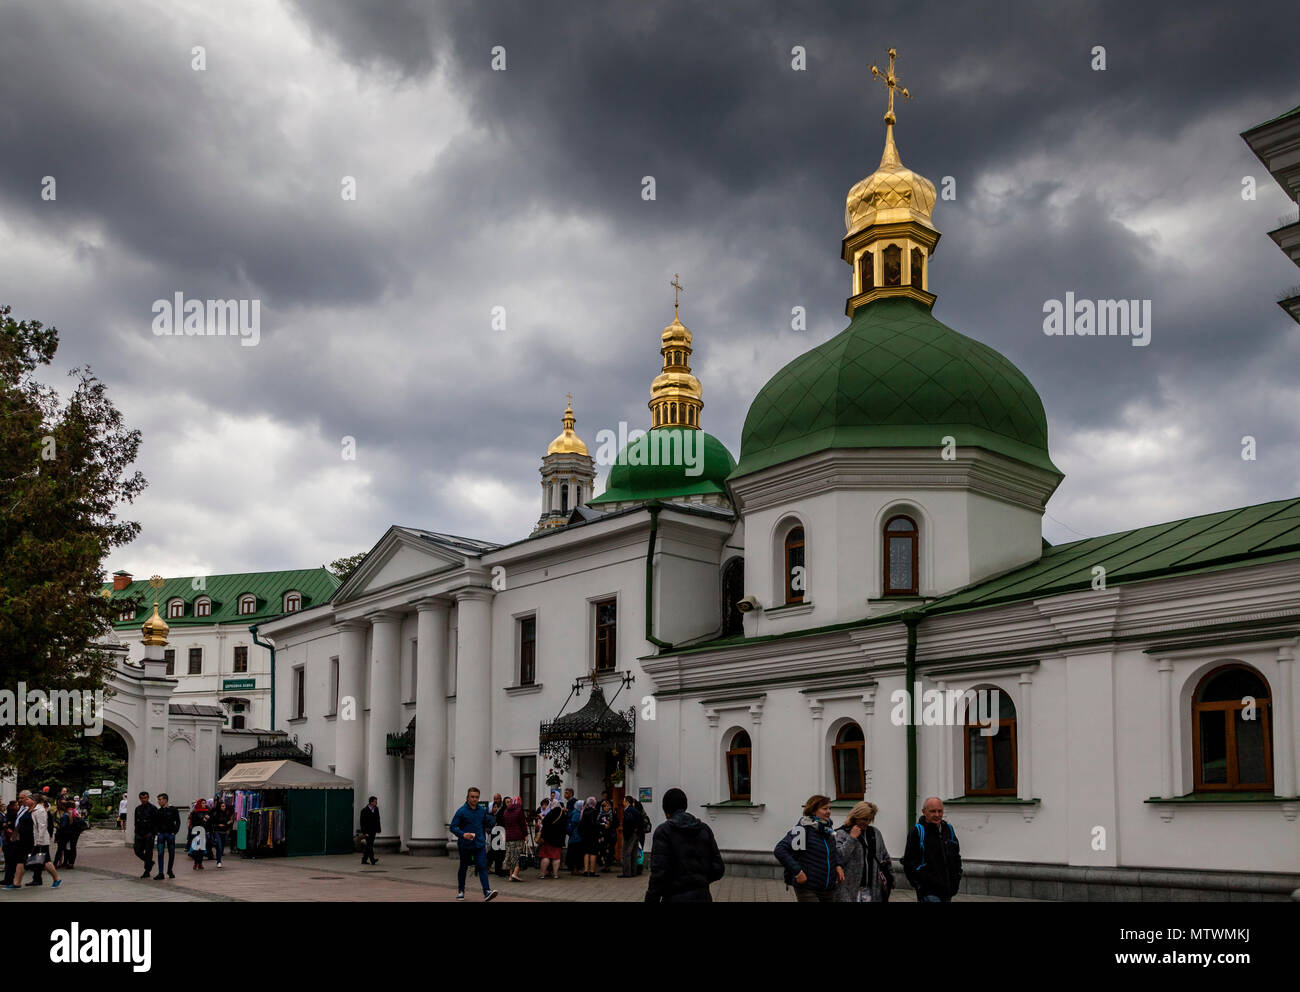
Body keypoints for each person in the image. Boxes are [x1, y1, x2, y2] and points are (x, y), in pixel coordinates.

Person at [645, 787, 725, 902]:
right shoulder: (704, 829)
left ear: (666, 810)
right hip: (702, 897)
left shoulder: (664, 832)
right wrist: (700, 881)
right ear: (685, 806)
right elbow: (718, 868)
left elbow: (658, 874)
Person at [774, 794, 844, 903]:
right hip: (807, 887)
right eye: (824, 808)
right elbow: (780, 850)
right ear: (813, 811)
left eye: (830, 808)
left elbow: (833, 850)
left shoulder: (827, 829)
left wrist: (838, 865)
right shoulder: (803, 829)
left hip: (828, 887)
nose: (829, 811)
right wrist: (798, 872)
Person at [902, 797, 962, 902]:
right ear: (924, 812)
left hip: (948, 890)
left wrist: (957, 876)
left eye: (940, 811)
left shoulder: (948, 829)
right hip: (929, 892)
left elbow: (956, 856)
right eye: (933, 811)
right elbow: (909, 862)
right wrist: (921, 884)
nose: (937, 815)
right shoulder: (917, 832)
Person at [834, 801, 894, 903]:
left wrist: (891, 878)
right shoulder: (841, 833)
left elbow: (884, 856)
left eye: (870, 819)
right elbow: (839, 858)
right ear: (855, 816)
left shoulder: (875, 833)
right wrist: (852, 838)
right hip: (848, 889)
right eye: (864, 819)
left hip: (872, 889)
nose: (867, 822)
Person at [449, 787, 498, 901]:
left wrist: (493, 821)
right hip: (465, 845)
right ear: (467, 797)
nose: (474, 799)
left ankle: (487, 892)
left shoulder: (481, 810)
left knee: (482, 866)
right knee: (463, 867)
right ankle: (461, 890)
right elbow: (453, 827)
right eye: (472, 797)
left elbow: (486, 823)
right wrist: (463, 834)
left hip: (479, 844)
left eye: (476, 797)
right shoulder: (461, 811)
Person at [20, 795, 62, 889]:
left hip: (41, 840)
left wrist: (39, 839)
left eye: (28, 799)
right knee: (44, 860)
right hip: (37, 839)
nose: (26, 801)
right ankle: (53, 878)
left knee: (46, 861)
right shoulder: (34, 810)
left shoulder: (40, 811)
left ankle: (56, 878)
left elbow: (42, 826)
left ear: (34, 801)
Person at [6, 792, 36, 889]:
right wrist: (14, 834)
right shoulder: (24, 809)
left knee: (22, 859)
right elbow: (18, 822)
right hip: (20, 837)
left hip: (27, 838)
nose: (21, 800)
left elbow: (39, 826)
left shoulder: (35, 810)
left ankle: (52, 878)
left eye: (25, 798)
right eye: (21, 798)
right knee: (18, 859)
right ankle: (14, 881)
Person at [501, 796, 528, 883]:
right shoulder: (519, 810)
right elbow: (523, 824)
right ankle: (515, 874)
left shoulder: (506, 811)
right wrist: (526, 835)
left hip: (508, 836)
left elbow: (505, 824)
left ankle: (510, 875)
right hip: (518, 836)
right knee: (518, 855)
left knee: (511, 856)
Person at [538, 798, 567, 880]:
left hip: (548, 839)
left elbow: (545, 824)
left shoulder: (551, 813)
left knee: (546, 856)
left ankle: (542, 874)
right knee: (556, 857)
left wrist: (542, 837)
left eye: (550, 804)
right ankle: (556, 875)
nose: (550, 806)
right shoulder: (563, 814)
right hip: (559, 839)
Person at [154, 793, 180, 879]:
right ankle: (161, 873)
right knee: (160, 854)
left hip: (170, 834)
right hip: (161, 834)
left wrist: (174, 832)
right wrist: (157, 832)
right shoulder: (158, 811)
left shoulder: (173, 810)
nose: (158, 801)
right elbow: (155, 823)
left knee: (171, 854)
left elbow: (178, 822)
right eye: (158, 800)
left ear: (165, 800)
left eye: (160, 799)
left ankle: (170, 870)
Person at [133, 791, 157, 878]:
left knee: (148, 853)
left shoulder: (153, 808)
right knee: (137, 851)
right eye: (142, 798)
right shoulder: (138, 809)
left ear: (148, 798)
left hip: (149, 834)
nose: (144, 800)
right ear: (140, 798)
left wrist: (152, 833)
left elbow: (156, 822)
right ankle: (150, 862)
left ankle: (147, 871)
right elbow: (136, 821)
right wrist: (136, 833)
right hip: (139, 834)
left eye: (145, 798)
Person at [618, 795, 641, 878]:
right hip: (636, 834)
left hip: (629, 834)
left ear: (627, 802)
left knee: (626, 853)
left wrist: (627, 833)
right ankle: (633, 871)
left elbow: (629, 821)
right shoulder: (636, 810)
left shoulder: (628, 811)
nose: (623, 802)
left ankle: (627, 873)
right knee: (633, 853)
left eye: (624, 801)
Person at [187, 799, 211, 871]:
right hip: (197, 832)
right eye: (202, 803)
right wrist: (203, 820)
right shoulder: (195, 812)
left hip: (204, 832)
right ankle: (195, 863)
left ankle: (200, 863)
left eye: (205, 803)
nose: (204, 804)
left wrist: (209, 819)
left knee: (202, 849)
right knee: (196, 849)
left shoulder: (207, 811)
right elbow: (194, 823)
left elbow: (209, 822)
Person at [578, 797, 599, 877]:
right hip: (593, 835)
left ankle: (586, 871)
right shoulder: (594, 812)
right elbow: (595, 823)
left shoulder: (584, 811)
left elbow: (581, 824)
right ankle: (592, 871)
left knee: (586, 852)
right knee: (593, 852)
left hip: (585, 835)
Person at [488, 794, 508, 877]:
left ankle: (497, 869)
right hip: (497, 833)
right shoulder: (494, 809)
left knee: (498, 852)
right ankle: (495, 869)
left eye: (498, 799)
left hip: (500, 832)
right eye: (495, 799)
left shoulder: (503, 808)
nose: (496, 800)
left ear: (501, 799)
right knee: (495, 852)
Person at [2, 800, 21, 888]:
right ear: (12, 806)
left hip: (9, 840)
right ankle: (8, 879)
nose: (18, 806)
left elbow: (7, 826)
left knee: (9, 861)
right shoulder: (13, 815)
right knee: (10, 861)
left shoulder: (11, 815)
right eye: (16, 805)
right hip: (10, 840)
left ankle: (8, 879)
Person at [209, 799, 231, 868]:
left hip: (224, 832)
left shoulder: (226, 814)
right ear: (219, 807)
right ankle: (219, 861)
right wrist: (218, 825)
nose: (224, 807)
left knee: (221, 849)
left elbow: (228, 823)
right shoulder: (216, 814)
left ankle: (219, 859)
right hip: (217, 832)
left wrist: (227, 825)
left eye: (224, 806)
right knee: (219, 846)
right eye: (222, 806)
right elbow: (212, 823)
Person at [596, 799, 617, 872]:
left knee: (610, 851)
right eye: (604, 806)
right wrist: (603, 825)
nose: (606, 808)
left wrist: (610, 825)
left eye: (608, 806)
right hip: (602, 836)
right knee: (602, 851)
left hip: (610, 835)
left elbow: (617, 824)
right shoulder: (599, 814)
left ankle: (608, 866)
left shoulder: (613, 814)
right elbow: (596, 823)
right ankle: (603, 866)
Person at [359, 795, 380, 865]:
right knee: (370, 845)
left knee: (369, 845)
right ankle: (372, 859)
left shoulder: (376, 809)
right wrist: (364, 832)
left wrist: (378, 829)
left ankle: (364, 859)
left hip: (373, 830)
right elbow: (362, 822)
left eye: (376, 801)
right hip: (367, 831)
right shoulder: (364, 811)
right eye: (375, 801)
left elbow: (378, 819)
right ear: (371, 802)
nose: (376, 803)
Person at [633, 799, 651, 875]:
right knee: (640, 852)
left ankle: (637, 868)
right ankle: (639, 869)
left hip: (638, 835)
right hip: (641, 835)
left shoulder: (637, 815)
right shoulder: (644, 815)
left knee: (636, 852)